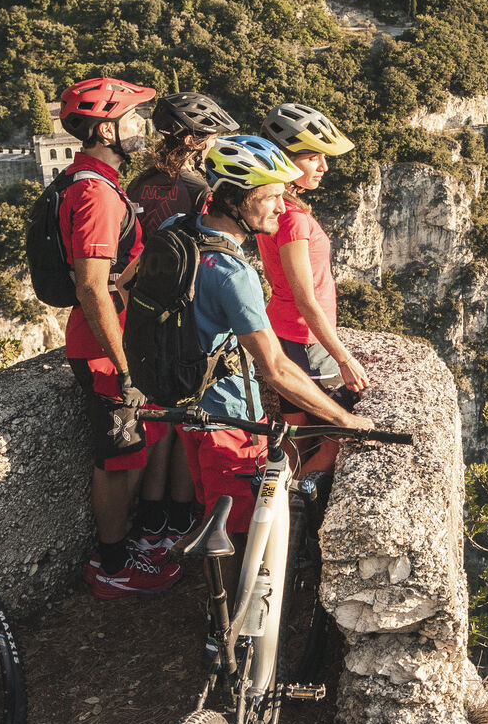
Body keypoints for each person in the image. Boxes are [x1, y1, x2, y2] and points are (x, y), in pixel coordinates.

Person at [172, 135, 378, 531]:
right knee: (234, 531)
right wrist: (346, 422)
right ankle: (234, 588)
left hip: (184, 400)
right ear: (237, 199)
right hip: (229, 416)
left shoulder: (177, 231)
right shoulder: (234, 274)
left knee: (214, 514)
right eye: (271, 197)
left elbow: (128, 285)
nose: (282, 208)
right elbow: (276, 369)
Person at [51, 76, 182, 598]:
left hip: (114, 342)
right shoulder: (96, 194)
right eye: (133, 119)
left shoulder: (91, 178)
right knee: (118, 457)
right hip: (106, 349)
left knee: (131, 450)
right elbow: (91, 286)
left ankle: (121, 550)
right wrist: (126, 367)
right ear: (106, 127)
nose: (142, 129)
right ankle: (109, 564)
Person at [118, 89, 239, 559]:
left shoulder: (137, 185)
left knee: (156, 425)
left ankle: (152, 524)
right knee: (188, 420)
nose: (212, 145)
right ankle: (185, 518)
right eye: (208, 136)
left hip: (141, 309)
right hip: (185, 317)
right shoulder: (199, 191)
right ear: (192, 138)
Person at [258, 103, 371, 486]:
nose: (323, 166)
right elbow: (305, 297)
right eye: (312, 157)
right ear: (286, 162)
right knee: (335, 441)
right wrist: (344, 358)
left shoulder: (277, 210)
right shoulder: (293, 220)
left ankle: (278, 524)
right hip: (306, 343)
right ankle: (296, 510)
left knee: (295, 438)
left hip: (286, 335)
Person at [125, 91, 239, 223]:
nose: (215, 144)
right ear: (190, 142)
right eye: (213, 138)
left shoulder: (137, 184)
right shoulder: (200, 192)